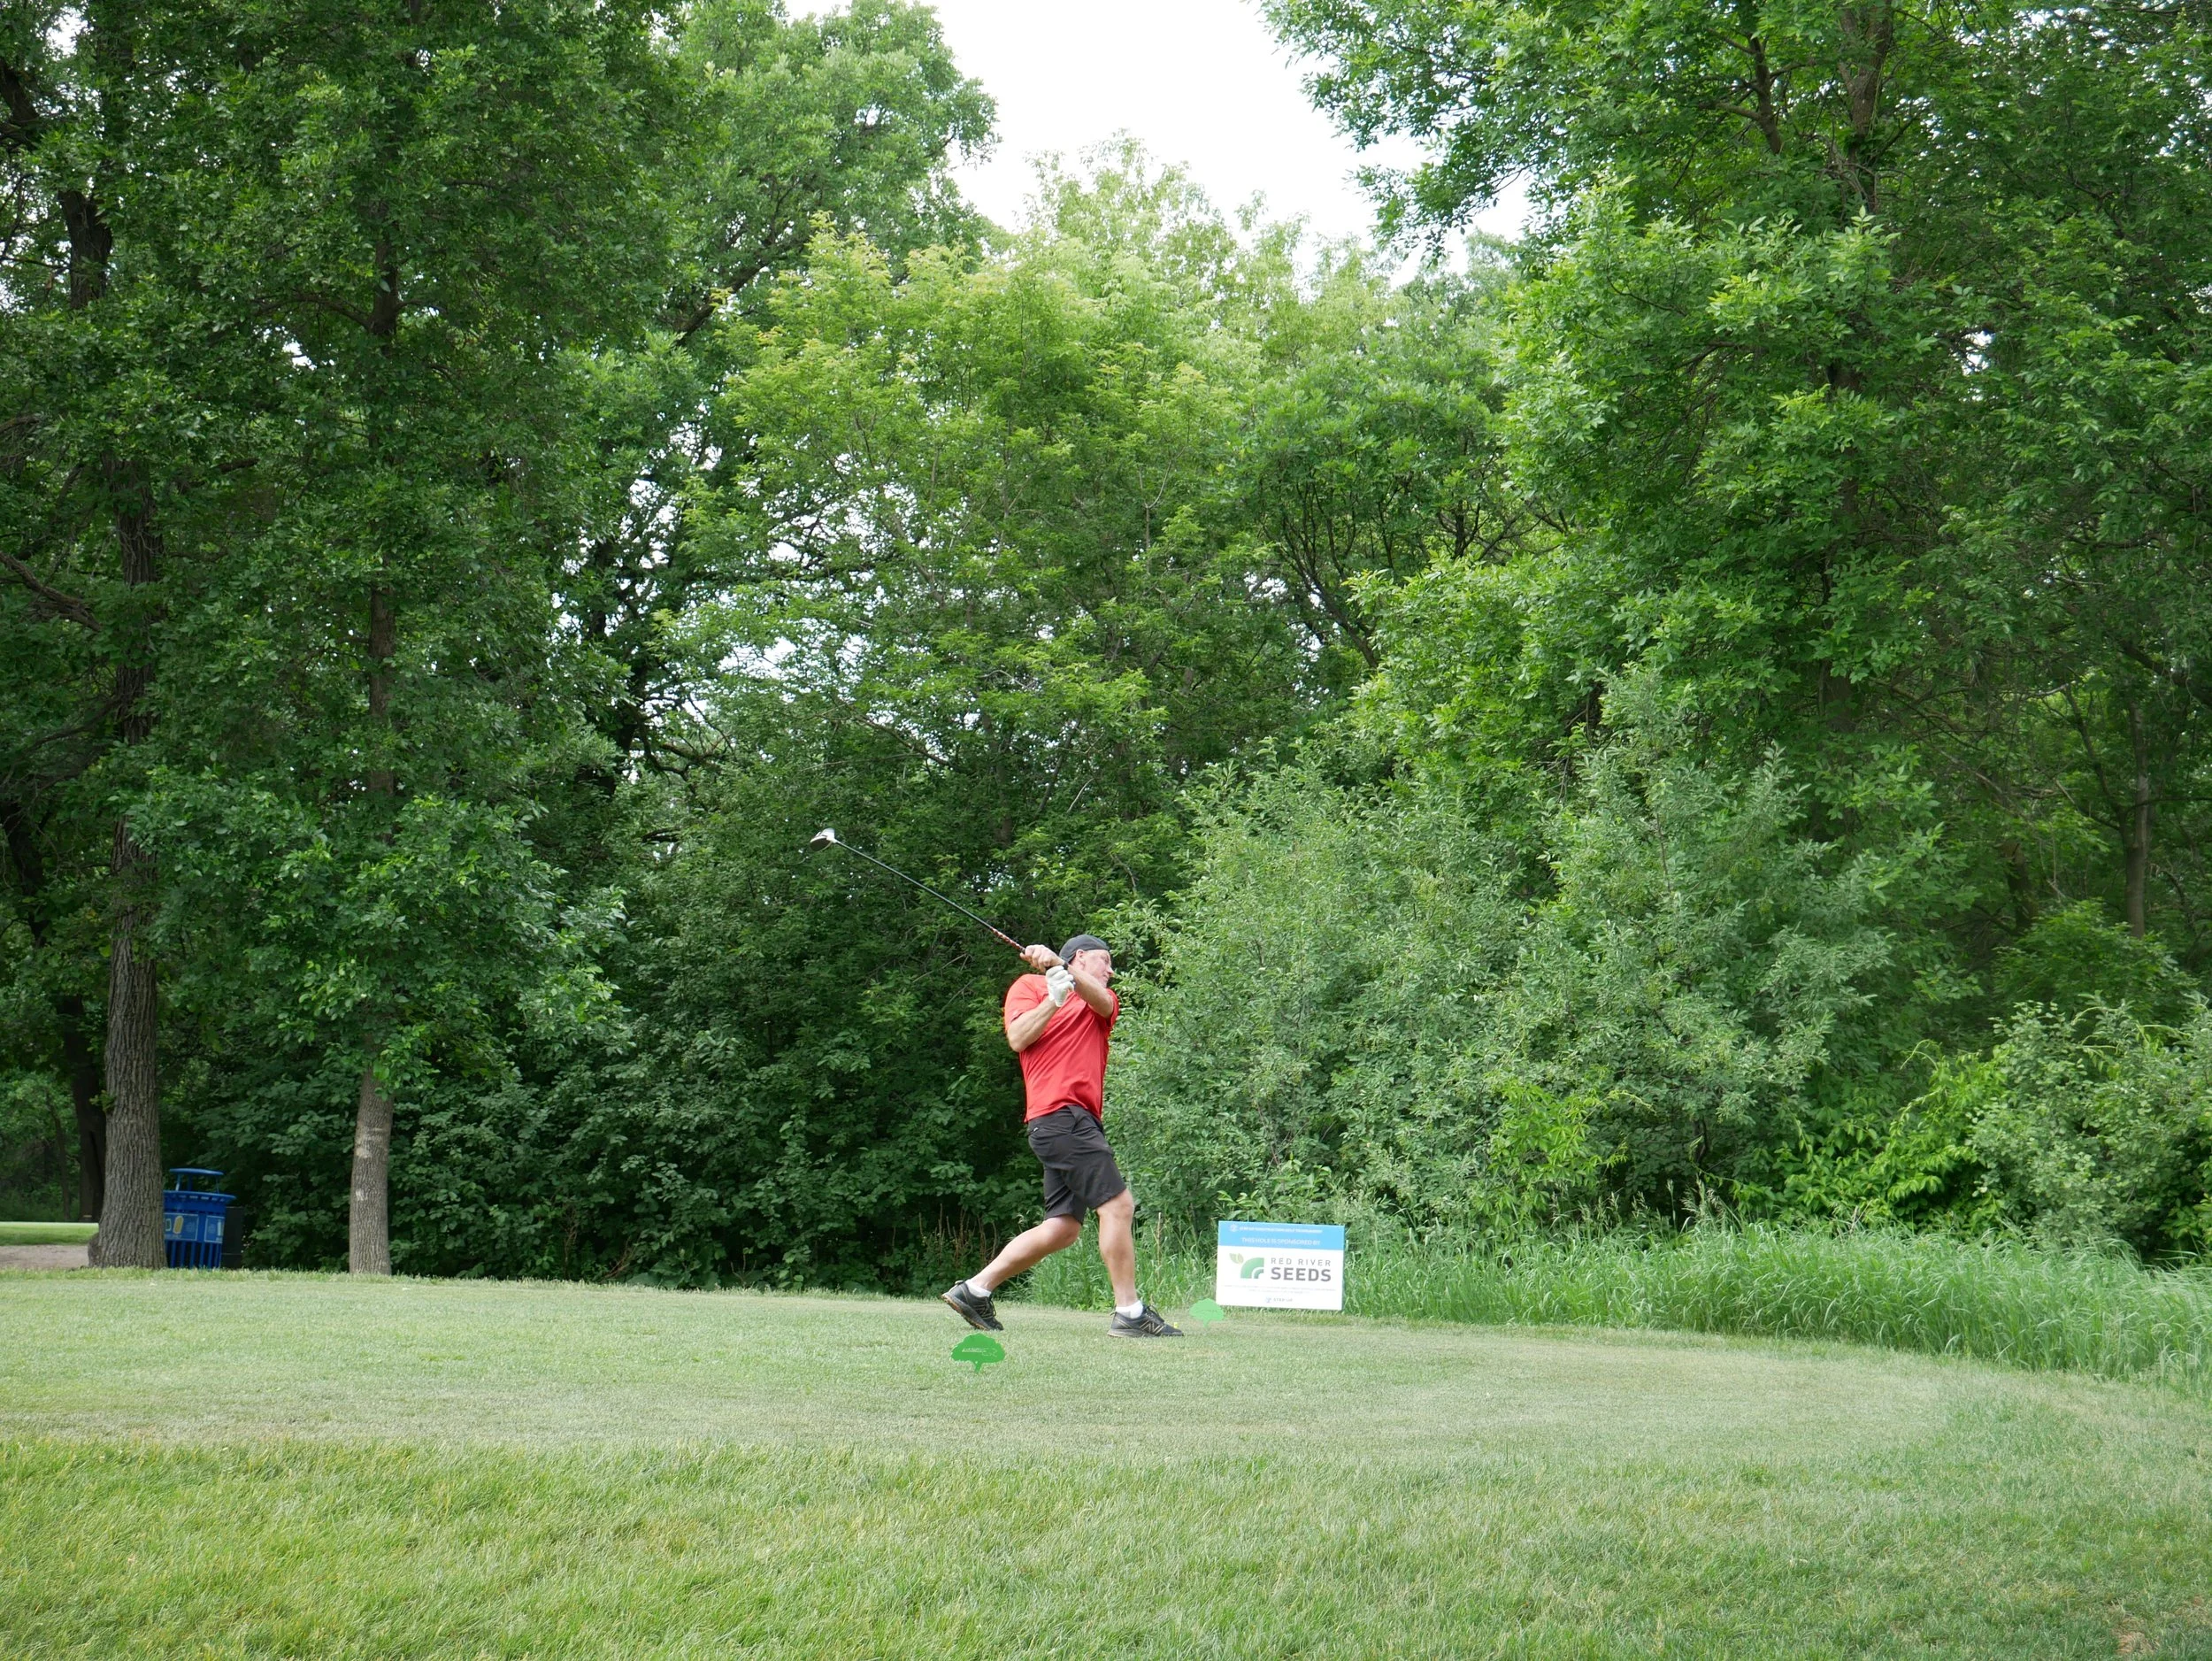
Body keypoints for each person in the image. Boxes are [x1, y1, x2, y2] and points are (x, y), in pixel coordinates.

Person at [941, 934, 1181, 1339]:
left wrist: (1063, 970)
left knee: (1064, 1227)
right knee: (1119, 1206)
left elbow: (1104, 1002)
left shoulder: (1098, 999)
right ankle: (1130, 1313)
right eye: (1105, 961)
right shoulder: (1029, 987)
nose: (1111, 970)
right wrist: (1052, 997)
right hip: (1060, 1117)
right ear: (1083, 956)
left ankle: (974, 1290)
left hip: (1072, 1121)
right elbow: (1018, 1039)